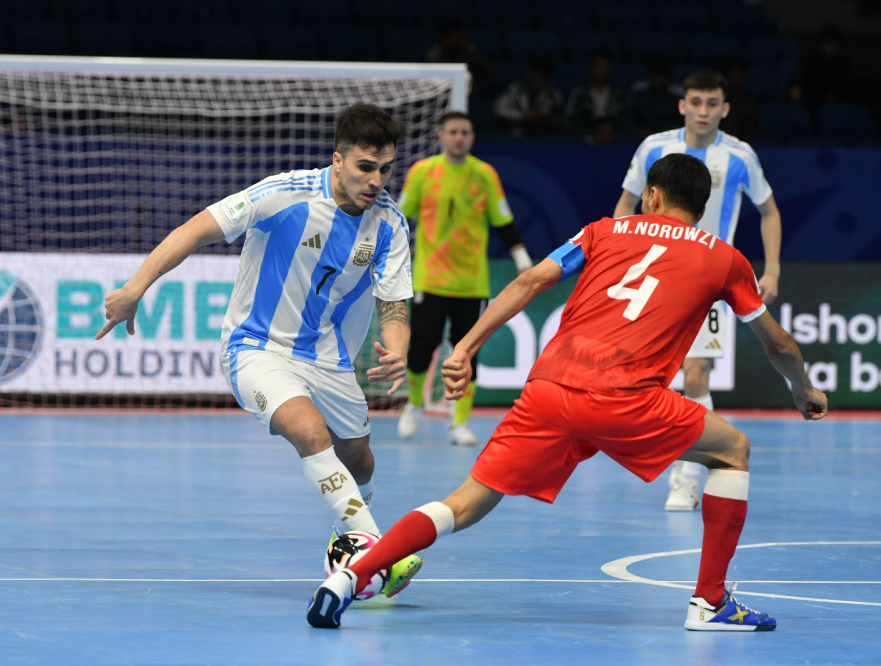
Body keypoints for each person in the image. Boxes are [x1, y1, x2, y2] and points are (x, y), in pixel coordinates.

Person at [306, 153, 828, 631]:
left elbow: (531, 281)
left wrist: (463, 347)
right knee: (733, 450)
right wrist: (802, 389)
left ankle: (348, 579)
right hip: (627, 398)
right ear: (702, 205)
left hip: (550, 388)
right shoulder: (726, 258)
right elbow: (778, 343)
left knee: (463, 503)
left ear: (651, 196)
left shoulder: (603, 231)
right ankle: (710, 604)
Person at [95, 103, 421, 597]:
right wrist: (135, 286)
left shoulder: (390, 224)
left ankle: (345, 543)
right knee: (310, 432)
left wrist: (397, 347)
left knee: (361, 461)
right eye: (365, 167)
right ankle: (374, 553)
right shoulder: (283, 193)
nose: (376, 180)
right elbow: (195, 230)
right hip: (256, 346)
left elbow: (394, 301)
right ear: (338, 160)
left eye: (385, 169)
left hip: (329, 358)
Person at [613, 70, 783, 511]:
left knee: (696, 375)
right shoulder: (654, 146)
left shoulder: (740, 156)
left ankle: (685, 479)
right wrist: (623, 254)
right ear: (682, 105)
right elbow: (627, 203)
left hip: (707, 283)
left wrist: (774, 268)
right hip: (653, 277)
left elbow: (768, 210)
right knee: (647, 377)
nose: (703, 111)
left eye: (712, 103)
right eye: (696, 102)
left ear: (725, 109)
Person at [395, 111, 533, 446]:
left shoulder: (484, 174)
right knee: (421, 348)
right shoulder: (422, 173)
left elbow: (504, 220)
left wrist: (522, 258)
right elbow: (400, 216)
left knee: (467, 353)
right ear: (441, 136)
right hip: (430, 278)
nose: (460, 137)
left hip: (473, 282)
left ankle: (459, 421)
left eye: (466, 132)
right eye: (454, 131)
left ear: (472, 138)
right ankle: (414, 404)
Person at [492, 55, 566, 138]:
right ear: (528, 73)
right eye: (534, 74)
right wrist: (522, 116)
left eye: (541, 75)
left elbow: (562, 120)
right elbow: (498, 109)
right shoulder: (515, 89)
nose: (537, 78)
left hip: (546, 138)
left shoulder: (554, 94)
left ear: (547, 77)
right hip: (516, 136)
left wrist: (544, 119)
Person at [564, 48, 626, 139]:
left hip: (614, 142)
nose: (601, 70)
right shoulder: (579, 93)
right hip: (585, 142)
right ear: (591, 67)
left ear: (610, 68)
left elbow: (626, 122)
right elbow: (571, 121)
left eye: (605, 66)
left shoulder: (619, 94)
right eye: (598, 66)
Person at [623, 56, 683, 139]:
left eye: (661, 76)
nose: (658, 80)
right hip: (640, 137)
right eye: (655, 76)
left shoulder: (677, 96)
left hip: (670, 138)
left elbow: (681, 123)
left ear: (668, 78)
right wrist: (640, 130)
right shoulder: (638, 92)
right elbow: (629, 119)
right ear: (649, 76)